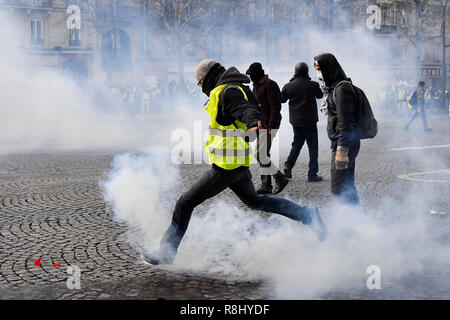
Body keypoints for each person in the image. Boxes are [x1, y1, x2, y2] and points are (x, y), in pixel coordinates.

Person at [141, 59, 328, 265]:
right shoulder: (230, 88)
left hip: (226, 166)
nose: (200, 87)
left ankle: (166, 252)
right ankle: (309, 216)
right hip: (236, 162)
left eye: (200, 82)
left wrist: (253, 121)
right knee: (256, 202)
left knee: (184, 204)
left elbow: (245, 109)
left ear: (208, 77)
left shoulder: (228, 91)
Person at [313, 53, 360, 206]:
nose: (317, 71)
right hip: (342, 141)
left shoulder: (341, 89)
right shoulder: (333, 88)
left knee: (339, 187)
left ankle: (349, 222)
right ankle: (356, 223)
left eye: (319, 68)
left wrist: (342, 149)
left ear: (328, 68)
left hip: (344, 143)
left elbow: (346, 121)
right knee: (346, 185)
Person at [246, 62, 289, 195]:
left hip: (269, 125)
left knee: (260, 154)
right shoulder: (256, 85)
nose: (250, 77)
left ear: (258, 73)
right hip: (260, 124)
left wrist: (270, 127)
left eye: (251, 74)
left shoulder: (270, 84)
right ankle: (266, 185)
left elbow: (275, 107)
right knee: (263, 153)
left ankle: (280, 178)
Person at [280, 62, 324, 182]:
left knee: (297, 145)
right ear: (306, 71)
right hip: (310, 121)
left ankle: (288, 165)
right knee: (313, 148)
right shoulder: (312, 85)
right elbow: (320, 95)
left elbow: (282, 99)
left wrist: (290, 82)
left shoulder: (289, 86)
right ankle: (312, 174)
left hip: (296, 122)